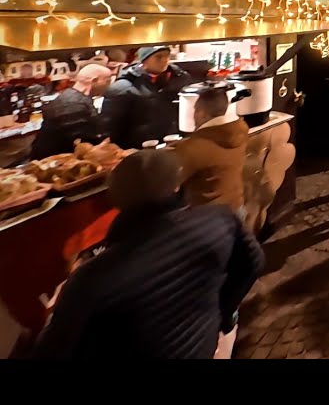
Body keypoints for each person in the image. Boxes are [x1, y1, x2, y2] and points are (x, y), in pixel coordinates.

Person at [31, 149, 263, 359]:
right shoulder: (220, 219)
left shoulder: (91, 277)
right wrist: (220, 312)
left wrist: (56, 310)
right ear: (175, 186)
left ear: (117, 200)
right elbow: (254, 260)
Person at [173, 87, 249, 217]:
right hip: (237, 206)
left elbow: (171, 183)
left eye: (195, 110)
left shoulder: (192, 147)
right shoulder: (240, 130)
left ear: (201, 113)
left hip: (208, 219)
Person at [100, 46, 194, 150]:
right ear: (145, 60)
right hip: (138, 148)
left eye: (167, 56)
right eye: (158, 57)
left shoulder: (180, 78)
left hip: (175, 142)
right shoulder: (123, 88)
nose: (165, 60)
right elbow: (110, 127)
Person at [30, 64, 114, 160]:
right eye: (108, 81)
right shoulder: (75, 104)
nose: (109, 85)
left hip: (53, 158)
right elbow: (87, 142)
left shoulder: (71, 96)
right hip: (54, 163)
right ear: (94, 81)